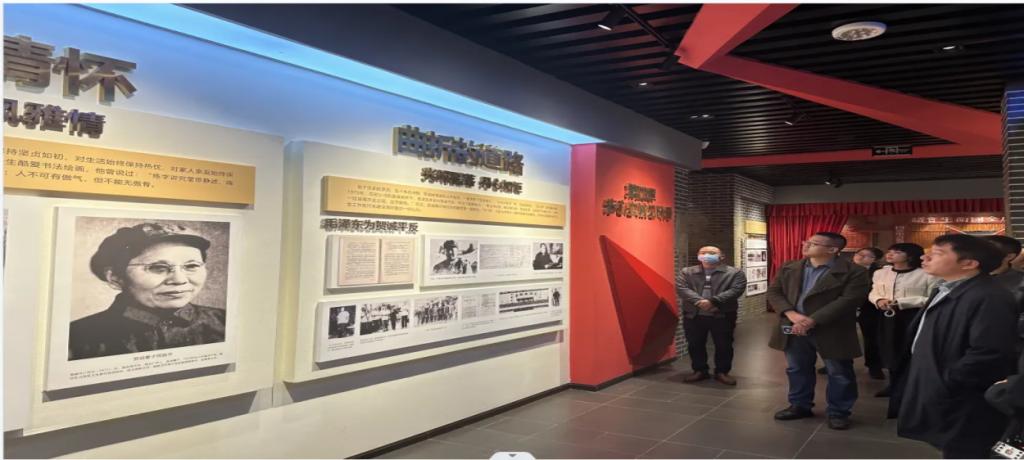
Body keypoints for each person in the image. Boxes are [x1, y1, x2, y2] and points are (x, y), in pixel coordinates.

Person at [889, 234, 1017, 458]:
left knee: (965, 448)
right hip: (936, 381)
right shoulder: (945, 288)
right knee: (949, 445)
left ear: (968, 263)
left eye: (937, 253)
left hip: (961, 394)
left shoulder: (989, 296)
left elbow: (989, 352)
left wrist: (948, 381)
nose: (925, 257)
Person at [69, 223, 226, 360]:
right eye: (158, 268)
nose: (179, 280)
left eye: (191, 266)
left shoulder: (224, 322)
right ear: (115, 277)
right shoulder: (76, 338)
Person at [768, 232, 870, 430]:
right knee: (797, 368)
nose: (806, 245)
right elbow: (774, 291)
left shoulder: (854, 271)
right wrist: (791, 314)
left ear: (832, 249)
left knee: (839, 372)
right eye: (807, 241)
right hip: (793, 325)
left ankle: (838, 412)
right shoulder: (790, 267)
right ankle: (799, 405)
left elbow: (849, 300)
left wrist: (812, 320)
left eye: (814, 243)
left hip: (832, 328)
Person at [870, 243, 939, 397]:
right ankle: (894, 384)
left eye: (897, 252)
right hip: (886, 315)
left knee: (909, 349)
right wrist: (879, 300)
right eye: (889, 251)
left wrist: (902, 302)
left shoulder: (926, 274)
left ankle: (911, 385)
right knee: (889, 349)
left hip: (912, 315)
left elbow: (932, 298)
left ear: (911, 256)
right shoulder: (881, 273)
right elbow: (874, 292)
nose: (890, 254)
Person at [678, 245, 748, 385]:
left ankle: (722, 372)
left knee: (724, 345)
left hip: (723, 315)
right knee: (695, 344)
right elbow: (682, 288)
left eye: (711, 253)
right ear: (698, 256)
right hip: (694, 315)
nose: (706, 255)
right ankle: (699, 370)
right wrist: (699, 302)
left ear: (721, 256)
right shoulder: (687, 272)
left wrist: (713, 301)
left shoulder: (734, 273)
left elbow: (736, 290)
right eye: (703, 252)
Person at [854, 247, 886, 380]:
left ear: (874, 260)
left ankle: (874, 366)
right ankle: (837, 362)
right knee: (840, 337)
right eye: (859, 253)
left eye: (865, 256)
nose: (860, 257)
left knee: (871, 338)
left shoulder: (879, 273)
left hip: (869, 308)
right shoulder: (845, 269)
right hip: (844, 308)